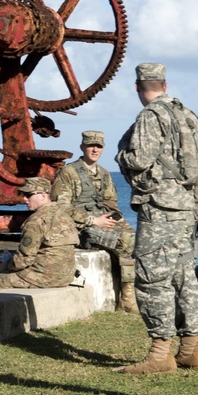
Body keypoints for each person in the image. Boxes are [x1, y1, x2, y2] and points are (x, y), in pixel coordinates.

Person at [114, 62, 198, 374]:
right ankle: (191, 350)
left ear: (139, 87)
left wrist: (121, 156)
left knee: (151, 278)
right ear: (165, 85)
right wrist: (196, 206)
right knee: (184, 276)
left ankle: (159, 355)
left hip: (159, 207)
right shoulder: (188, 116)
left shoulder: (150, 116)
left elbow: (139, 159)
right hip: (185, 208)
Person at [51, 130, 138, 314]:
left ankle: (133, 292)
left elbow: (110, 203)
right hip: (81, 226)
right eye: (91, 145)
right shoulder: (69, 173)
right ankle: (127, 298)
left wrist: (117, 220)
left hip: (102, 220)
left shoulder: (104, 174)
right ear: (82, 147)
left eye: (98, 146)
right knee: (125, 241)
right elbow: (61, 207)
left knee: (136, 239)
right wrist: (92, 220)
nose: (94, 149)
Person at [0, 177, 80, 291]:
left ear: (43, 195)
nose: (24, 199)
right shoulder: (65, 217)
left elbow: (23, 260)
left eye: (29, 195)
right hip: (66, 276)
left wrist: (4, 266)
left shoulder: (36, 221)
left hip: (42, 277)